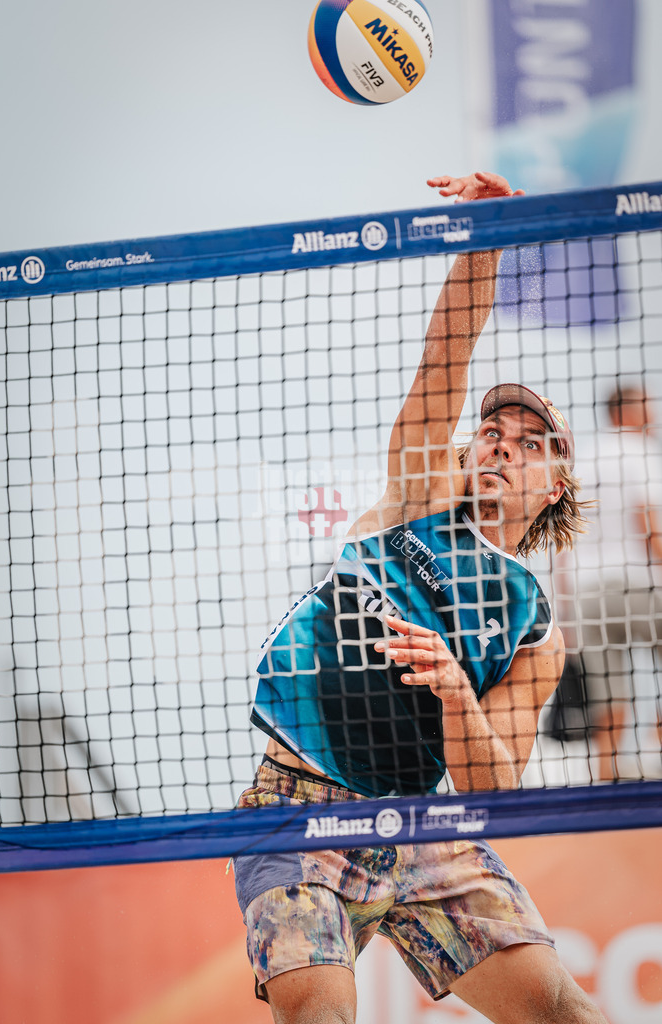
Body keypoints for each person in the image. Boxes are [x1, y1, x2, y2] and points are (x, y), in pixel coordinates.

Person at [233, 172, 605, 1024]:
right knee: (319, 1016)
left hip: (428, 823)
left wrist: (451, 691)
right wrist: (485, 237)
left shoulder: (535, 628)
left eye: (530, 444)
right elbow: (445, 360)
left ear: (553, 488)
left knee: (563, 1010)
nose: (500, 445)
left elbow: (494, 786)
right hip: (297, 805)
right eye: (492, 430)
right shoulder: (418, 496)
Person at [557, 383, 662, 780]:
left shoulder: (584, 460)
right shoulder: (639, 450)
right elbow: (649, 523)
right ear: (626, 411)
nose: (652, 414)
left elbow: (564, 541)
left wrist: (566, 606)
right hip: (641, 584)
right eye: (647, 405)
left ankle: (605, 782)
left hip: (589, 594)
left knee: (608, 694)